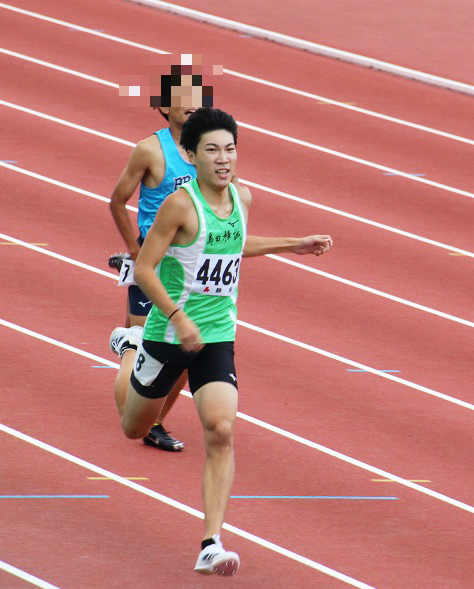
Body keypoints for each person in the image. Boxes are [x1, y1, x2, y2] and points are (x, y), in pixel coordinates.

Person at [113, 107, 332, 574]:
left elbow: (235, 245)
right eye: (211, 150)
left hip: (216, 335)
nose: (223, 158)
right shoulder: (179, 206)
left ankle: (211, 542)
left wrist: (294, 243)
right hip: (168, 333)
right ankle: (130, 347)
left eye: (230, 148)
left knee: (221, 430)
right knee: (133, 427)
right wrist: (175, 316)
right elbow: (147, 268)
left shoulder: (242, 198)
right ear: (190, 155)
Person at [108, 63, 214, 452]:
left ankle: (154, 422)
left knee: (190, 350)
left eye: (197, 97)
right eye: (181, 98)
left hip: (192, 265)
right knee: (145, 353)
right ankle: (128, 347)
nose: (191, 105)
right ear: (164, 106)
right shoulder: (150, 150)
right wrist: (137, 252)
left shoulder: (209, 148)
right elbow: (118, 201)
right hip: (154, 262)